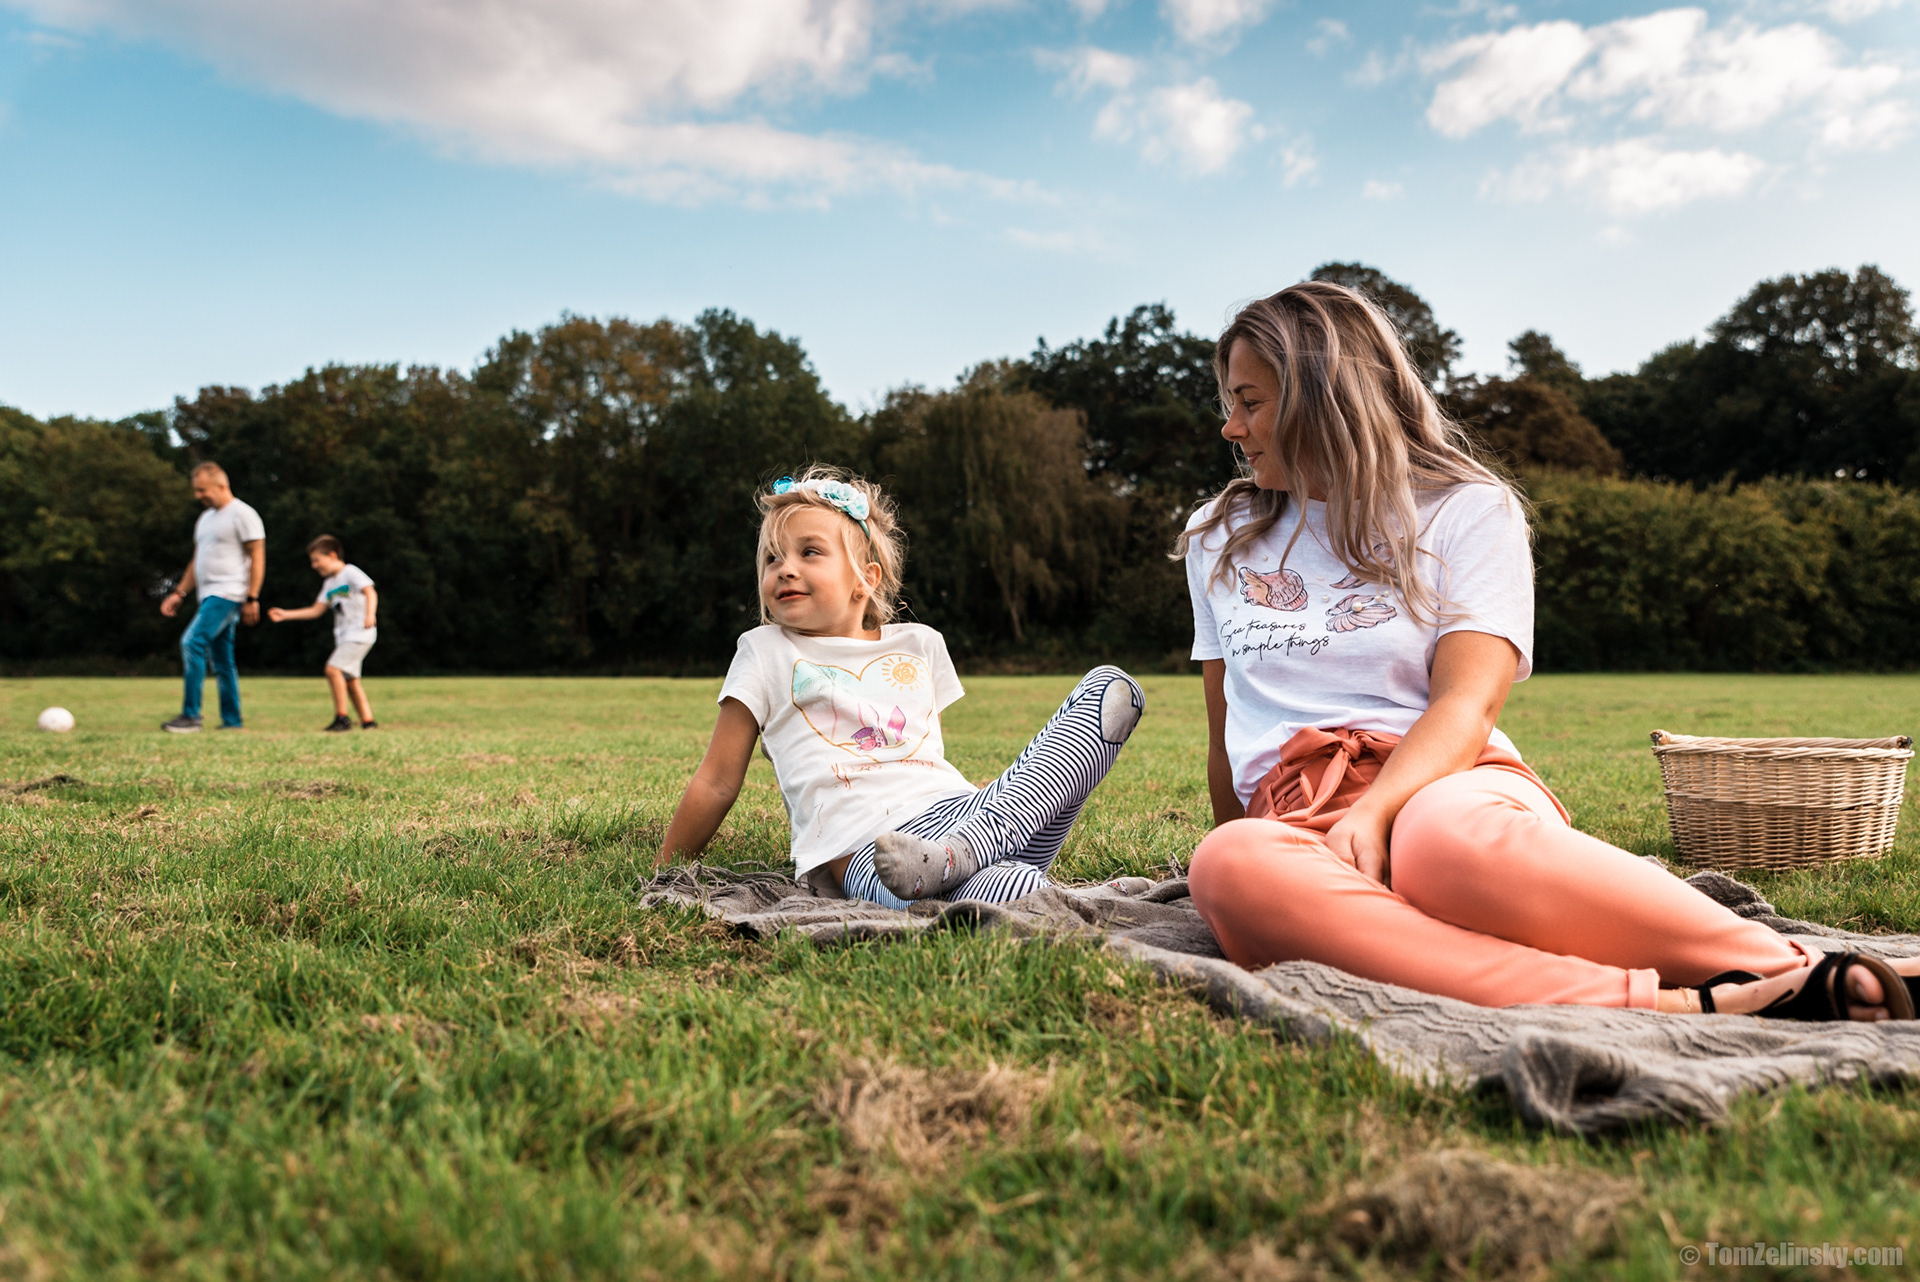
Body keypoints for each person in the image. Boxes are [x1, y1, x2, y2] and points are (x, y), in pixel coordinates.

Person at [1181, 281, 1919, 1023]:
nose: (1231, 427)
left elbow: (1469, 703)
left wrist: (1375, 816)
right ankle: (1677, 1006)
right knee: (1229, 865)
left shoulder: (1469, 510)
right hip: (1295, 812)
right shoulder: (1218, 533)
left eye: (1249, 401)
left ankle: (1810, 971)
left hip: (1450, 785)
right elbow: (1227, 732)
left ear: (1324, 396)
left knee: (1436, 842)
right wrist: (1249, 867)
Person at [657, 467, 1145, 906]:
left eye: (809, 552)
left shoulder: (920, 644)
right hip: (871, 854)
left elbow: (924, 761)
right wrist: (665, 870)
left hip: (963, 817)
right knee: (1012, 890)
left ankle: (965, 851)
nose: (785, 567)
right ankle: (1077, 898)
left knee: (1112, 689)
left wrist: (969, 825)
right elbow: (717, 779)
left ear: (863, 580)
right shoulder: (764, 651)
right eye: (771, 558)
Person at [158, 462, 264, 733]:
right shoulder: (205, 519)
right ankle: (232, 721)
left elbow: (257, 556)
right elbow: (197, 560)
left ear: (221, 485)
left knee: (192, 642)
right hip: (207, 595)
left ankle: (191, 716)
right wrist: (179, 593)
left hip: (228, 593)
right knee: (223, 661)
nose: (198, 496)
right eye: (196, 490)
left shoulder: (243, 514)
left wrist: (252, 597)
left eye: (202, 490)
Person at [267, 535, 380, 731]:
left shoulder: (350, 572)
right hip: (345, 636)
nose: (314, 565)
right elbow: (316, 610)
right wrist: (286, 614)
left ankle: (342, 719)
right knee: (350, 680)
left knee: (332, 670)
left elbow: (370, 591)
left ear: (332, 555)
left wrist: (370, 614)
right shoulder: (329, 584)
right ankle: (368, 722)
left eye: (317, 560)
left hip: (360, 632)